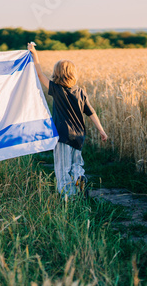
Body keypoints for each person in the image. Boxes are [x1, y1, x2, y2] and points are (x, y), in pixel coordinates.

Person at [27, 43, 108, 198]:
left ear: (56, 73)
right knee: (76, 162)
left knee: (63, 167)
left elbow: (39, 74)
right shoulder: (80, 92)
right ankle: (79, 177)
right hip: (79, 135)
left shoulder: (57, 90)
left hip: (63, 135)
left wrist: (34, 53)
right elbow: (91, 112)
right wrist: (101, 130)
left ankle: (68, 198)